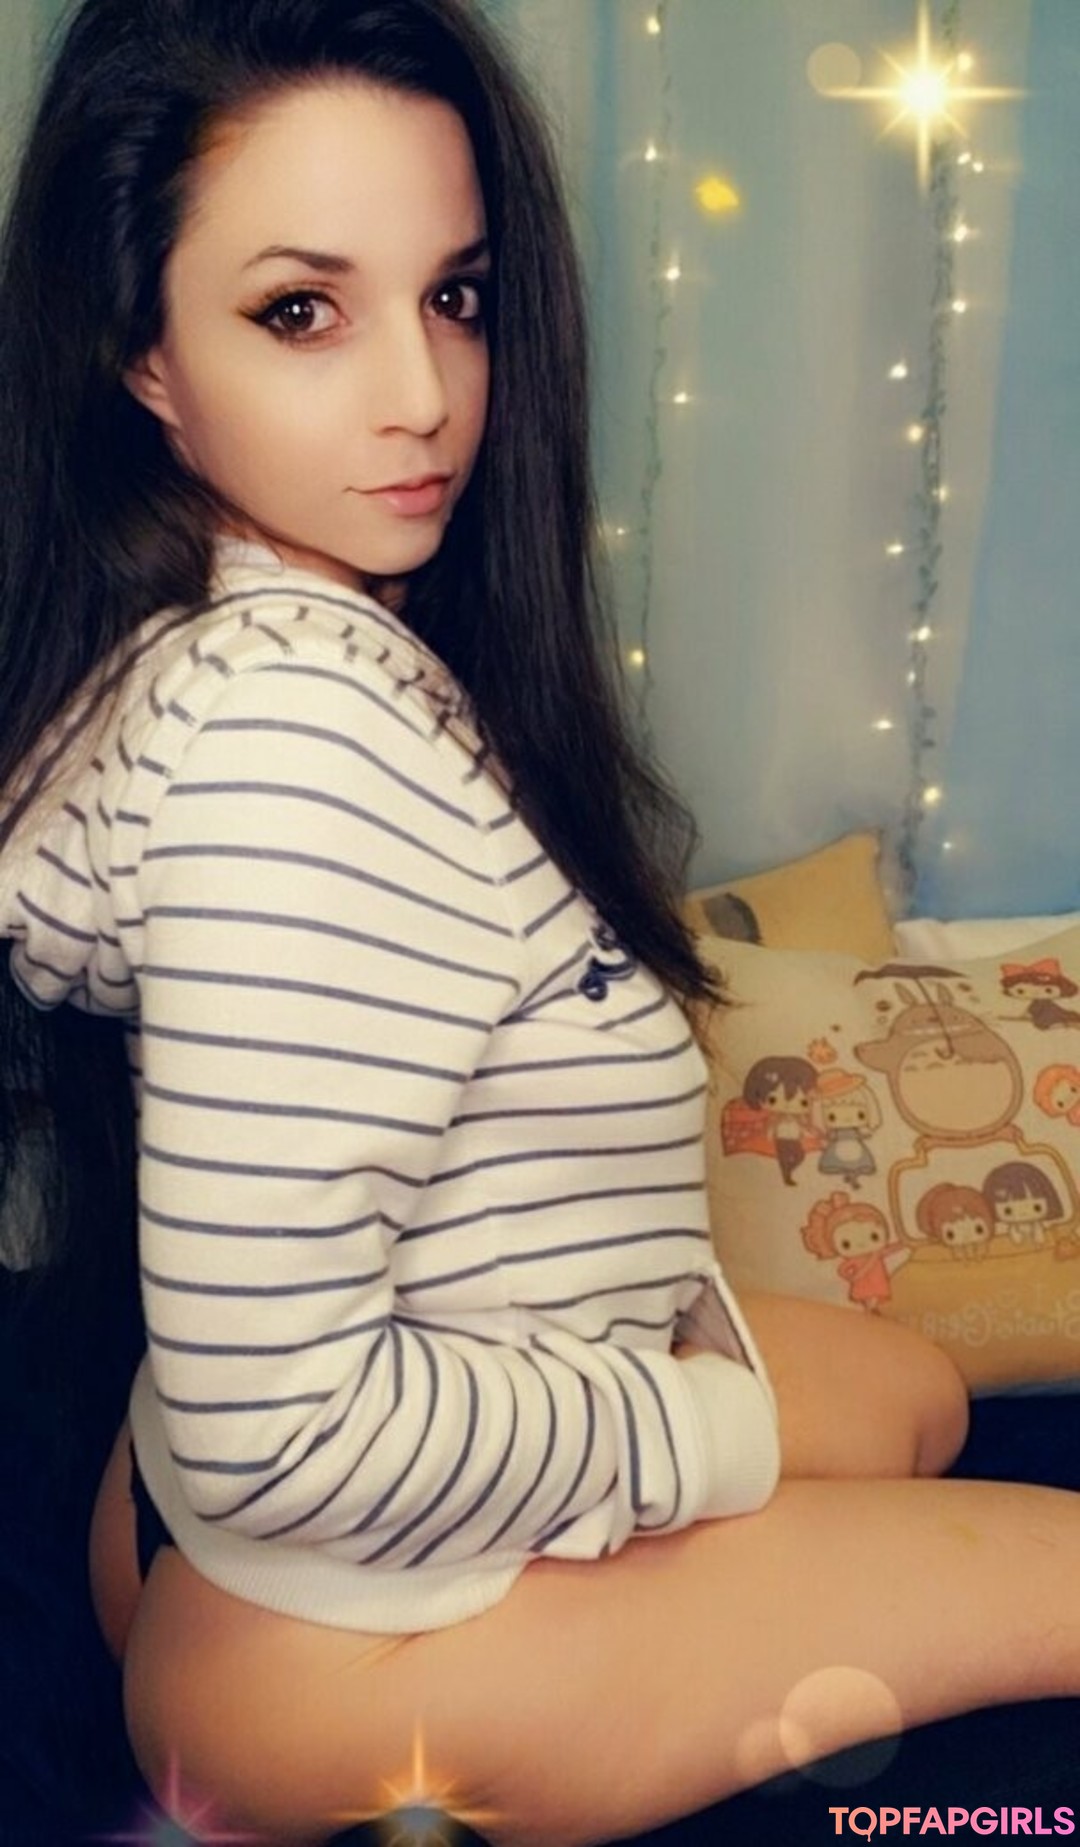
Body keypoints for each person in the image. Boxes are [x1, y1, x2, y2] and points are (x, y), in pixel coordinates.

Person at [1, 5, 1079, 1845]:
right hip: (356, 1625)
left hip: (202, 1507)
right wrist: (705, 1444)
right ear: (145, 361)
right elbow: (293, 1436)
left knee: (907, 1393)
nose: (424, 394)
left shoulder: (232, 627)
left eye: (458, 297)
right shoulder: (296, 737)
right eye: (301, 311)